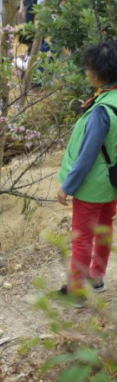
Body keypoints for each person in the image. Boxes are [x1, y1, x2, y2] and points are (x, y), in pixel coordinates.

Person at [56, 41, 117, 301]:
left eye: (88, 67)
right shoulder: (111, 97)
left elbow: (87, 157)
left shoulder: (101, 111)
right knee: (105, 228)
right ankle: (97, 277)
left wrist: (67, 186)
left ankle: (76, 292)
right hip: (112, 183)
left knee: (82, 239)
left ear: (97, 72)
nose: (86, 72)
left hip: (91, 186)